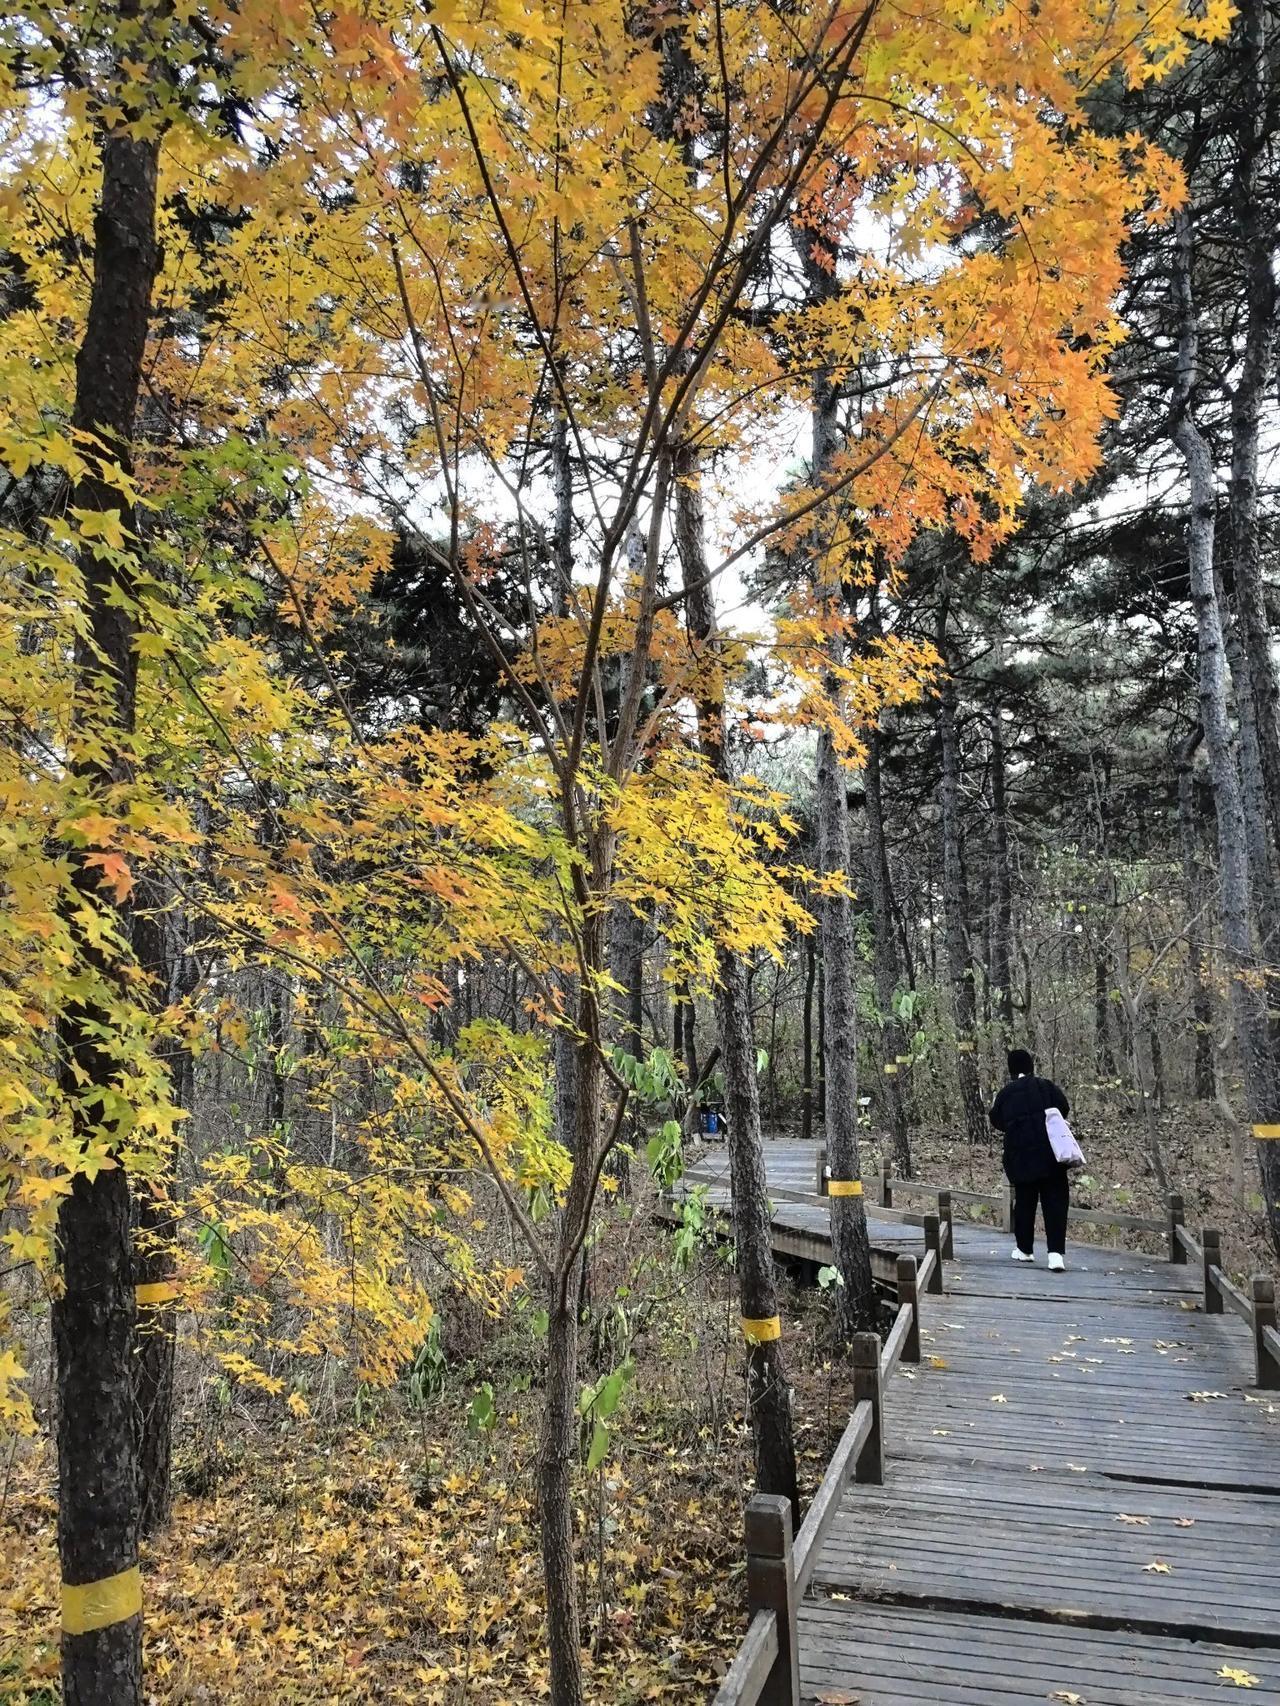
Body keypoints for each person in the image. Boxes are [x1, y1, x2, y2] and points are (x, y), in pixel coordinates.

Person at [989, 1048, 1071, 1272]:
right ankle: (1055, 1254)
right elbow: (1064, 1107)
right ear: (1031, 1066)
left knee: (1025, 1202)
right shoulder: (1046, 1087)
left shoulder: (1006, 1094)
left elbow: (996, 1119)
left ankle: (1025, 1250)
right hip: (1052, 1155)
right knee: (1055, 1203)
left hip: (1022, 1158)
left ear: (1011, 1070)